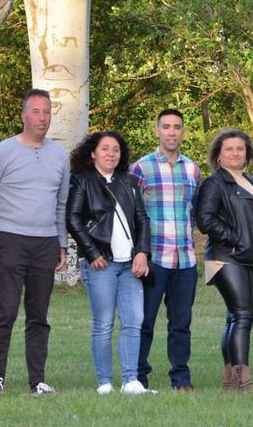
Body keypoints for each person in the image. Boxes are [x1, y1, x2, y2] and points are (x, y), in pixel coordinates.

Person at [0, 89, 70, 396]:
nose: (42, 118)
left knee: (39, 315)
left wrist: (62, 244)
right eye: (35, 111)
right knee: (4, 310)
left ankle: (38, 380)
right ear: (23, 115)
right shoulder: (3, 152)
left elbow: (61, 204)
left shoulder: (60, 155)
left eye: (46, 112)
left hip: (45, 242)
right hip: (10, 239)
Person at [66, 131, 154, 395]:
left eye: (115, 149)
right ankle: (104, 382)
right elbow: (72, 219)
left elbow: (143, 220)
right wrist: (92, 253)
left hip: (130, 264)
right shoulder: (81, 181)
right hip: (101, 264)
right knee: (103, 322)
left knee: (133, 320)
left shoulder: (129, 181)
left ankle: (131, 381)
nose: (110, 154)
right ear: (93, 152)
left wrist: (143, 253)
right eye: (105, 149)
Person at [196, 129, 253, 392]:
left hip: (251, 258)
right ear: (218, 155)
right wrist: (235, 238)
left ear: (247, 153)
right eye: (228, 149)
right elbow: (205, 219)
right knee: (243, 316)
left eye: (240, 148)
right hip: (227, 258)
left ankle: (229, 379)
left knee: (234, 317)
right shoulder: (215, 183)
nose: (235, 153)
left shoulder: (252, 181)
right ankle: (243, 378)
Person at [131, 109, 201, 391]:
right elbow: (132, 213)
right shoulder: (141, 168)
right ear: (157, 131)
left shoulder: (192, 169)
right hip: (153, 259)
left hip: (184, 260)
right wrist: (140, 251)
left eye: (177, 127)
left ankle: (181, 378)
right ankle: (137, 376)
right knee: (144, 321)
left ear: (183, 132)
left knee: (181, 324)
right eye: (166, 127)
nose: (172, 132)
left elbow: (193, 211)